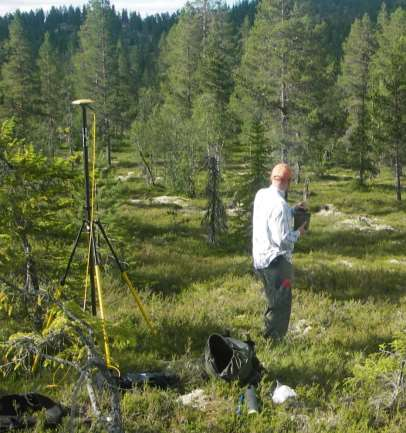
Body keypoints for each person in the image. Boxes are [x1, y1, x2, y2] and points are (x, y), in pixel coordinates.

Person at [252, 163, 306, 340]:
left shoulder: (261, 195)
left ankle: (268, 337)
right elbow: (282, 241)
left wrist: (292, 211)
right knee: (281, 304)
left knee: (273, 300)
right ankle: (274, 342)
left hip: (260, 259)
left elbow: (271, 217)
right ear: (288, 181)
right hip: (276, 262)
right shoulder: (280, 205)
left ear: (272, 178)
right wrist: (299, 233)